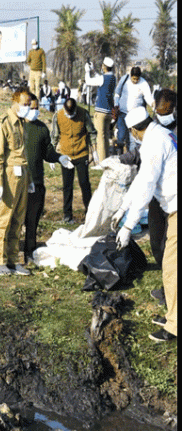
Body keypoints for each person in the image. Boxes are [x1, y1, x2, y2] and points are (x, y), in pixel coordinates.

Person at [113, 107, 177, 342]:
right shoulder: (159, 133)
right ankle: (173, 315)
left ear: (133, 130)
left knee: (172, 268)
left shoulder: (152, 143)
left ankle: (174, 326)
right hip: (173, 207)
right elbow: (141, 180)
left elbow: (147, 186)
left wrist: (129, 226)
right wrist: (123, 207)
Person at [23, 93, 74, 262]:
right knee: (17, 220)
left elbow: (47, 151)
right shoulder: (18, 127)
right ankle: (11, 253)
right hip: (20, 182)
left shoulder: (42, 128)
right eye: (32, 108)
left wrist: (59, 157)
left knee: (33, 220)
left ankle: (30, 252)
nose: (35, 111)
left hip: (37, 182)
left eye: (37, 108)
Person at [0, 88, 32, 275]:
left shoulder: (23, 124)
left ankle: (13, 260)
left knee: (18, 219)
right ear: (14, 102)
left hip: (23, 174)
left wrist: (29, 178)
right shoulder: (3, 123)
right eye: (24, 105)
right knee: (4, 219)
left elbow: (24, 154)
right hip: (9, 176)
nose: (27, 108)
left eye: (28, 105)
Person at [51, 98, 97, 223]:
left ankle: (90, 213)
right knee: (67, 186)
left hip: (82, 153)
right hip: (66, 155)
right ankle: (67, 215)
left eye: (72, 114)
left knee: (84, 184)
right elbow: (54, 136)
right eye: (68, 113)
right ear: (64, 109)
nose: (70, 116)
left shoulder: (83, 114)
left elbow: (92, 132)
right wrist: (52, 156)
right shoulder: (58, 116)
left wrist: (95, 151)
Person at [114, 66, 155, 153]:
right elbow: (117, 93)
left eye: (137, 79)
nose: (135, 81)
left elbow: (148, 97)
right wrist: (116, 104)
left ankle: (132, 160)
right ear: (130, 75)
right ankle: (119, 156)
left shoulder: (144, 84)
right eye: (134, 79)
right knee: (121, 136)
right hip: (122, 113)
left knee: (132, 140)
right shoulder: (124, 79)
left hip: (135, 117)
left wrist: (152, 103)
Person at [84, 57, 116, 162]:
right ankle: (106, 159)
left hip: (100, 111)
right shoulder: (113, 78)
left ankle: (101, 162)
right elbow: (101, 79)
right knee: (106, 137)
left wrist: (87, 71)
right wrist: (93, 71)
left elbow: (88, 81)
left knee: (100, 138)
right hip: (108, 111)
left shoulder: (103, 78)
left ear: (104, 66)